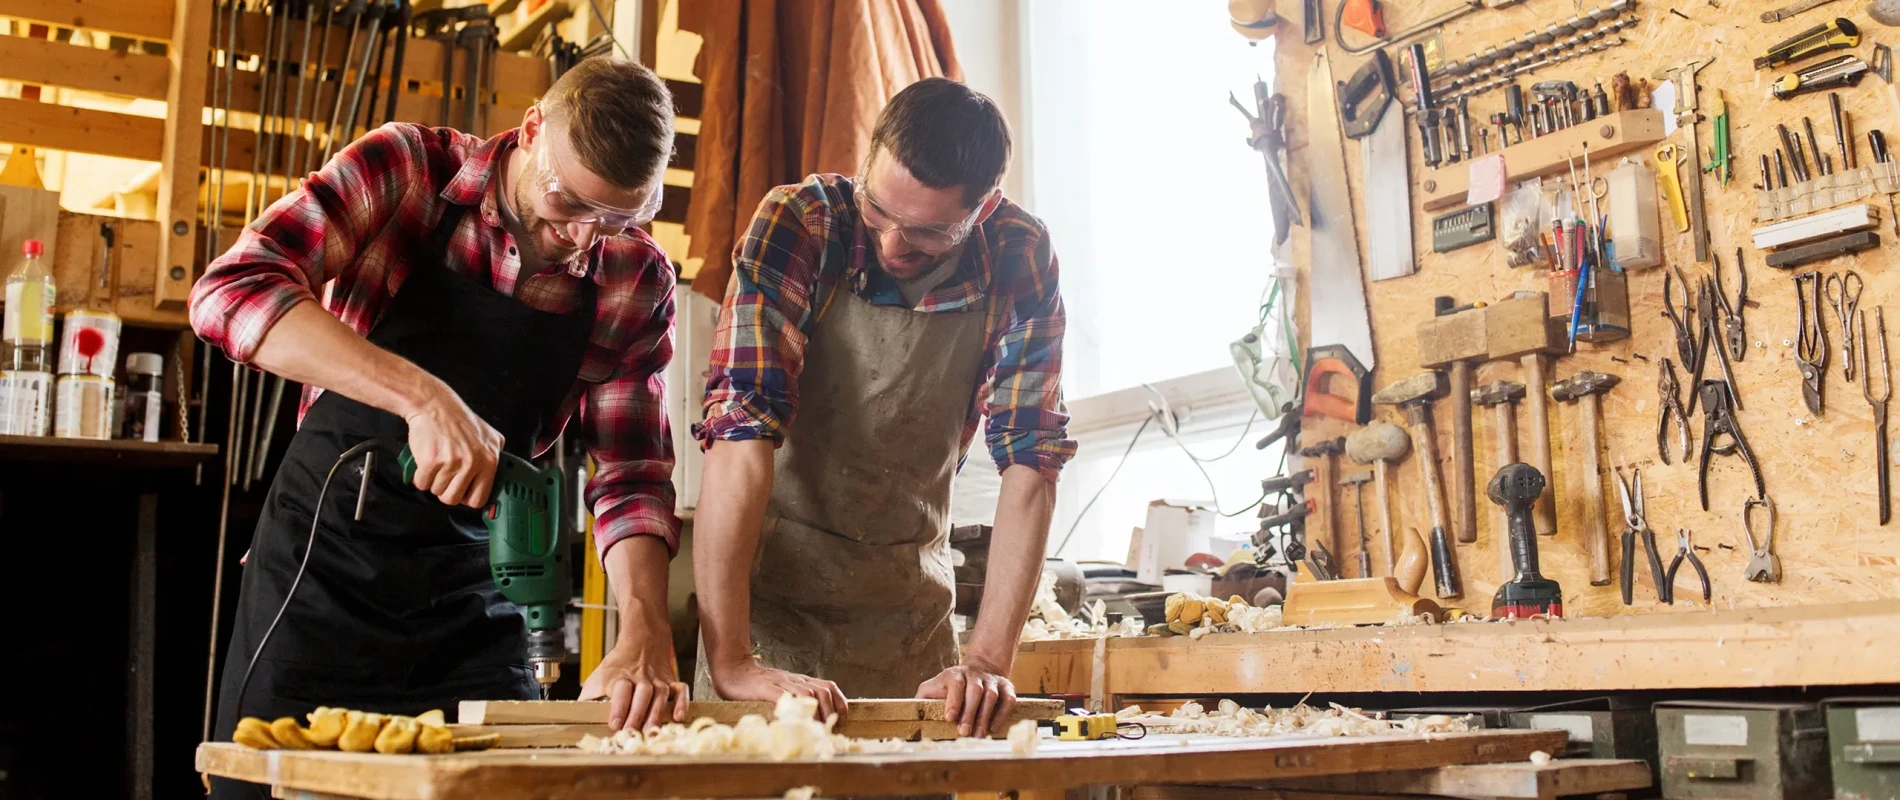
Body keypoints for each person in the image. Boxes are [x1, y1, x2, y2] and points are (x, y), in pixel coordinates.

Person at [193, 59, 688, 797]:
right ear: (530, 132)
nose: (578, 235)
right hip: (319, 574)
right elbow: (231, 292)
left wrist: (646, 628)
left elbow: (631, 472)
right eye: (564, 199)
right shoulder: (410, 170)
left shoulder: (634, 278)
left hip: (472, 588)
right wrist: (423, 399)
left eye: (615, 217)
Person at [689, 77, 1076, 737]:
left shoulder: (1020, 255)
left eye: (928, 233)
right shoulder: (801, 222)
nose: (894, 246)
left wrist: (987, 659)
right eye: (878, 212)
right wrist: (732, 661)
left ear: (980, 212)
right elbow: (740, 434)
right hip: (769, 615)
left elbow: (1031, 461)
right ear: (866, 162)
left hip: (910, 617)